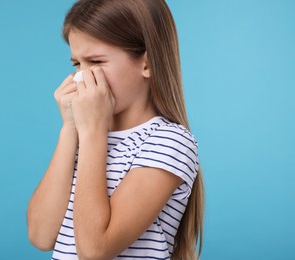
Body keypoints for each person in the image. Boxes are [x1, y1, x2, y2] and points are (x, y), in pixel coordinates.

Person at [27, 0, 204, 259]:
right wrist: (70, 128)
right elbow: (41, 236)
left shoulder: (169, 142)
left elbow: (95, 250)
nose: (81, 78)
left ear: (147, 63)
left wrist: (92, 133)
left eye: (96, 61)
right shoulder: (84, 136)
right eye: (76, 64)